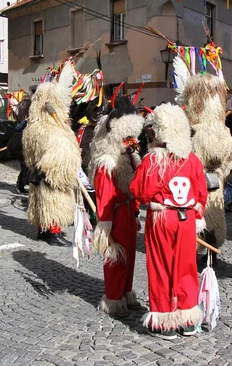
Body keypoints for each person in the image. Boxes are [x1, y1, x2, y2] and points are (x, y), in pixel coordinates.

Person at [129, 103, 208, 340]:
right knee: (186, 267)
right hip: (186, 220)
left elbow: (138, 191)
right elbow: (202, 193)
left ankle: (164, 320)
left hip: (162, 218)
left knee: (161, 266)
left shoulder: (154, 160)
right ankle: (188, 320)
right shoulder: (192, 160)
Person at [172, 56, 232, 260]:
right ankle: (209, 251)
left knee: (200, 217)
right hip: (213, 181)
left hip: (196, 185)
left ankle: (197, 249)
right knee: (213, 218)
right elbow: (228, 162)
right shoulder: (222, 131)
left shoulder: (195, 131)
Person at [88, 95, 144, 317]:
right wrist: (105, 224)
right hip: (116, 213)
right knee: (116, 259)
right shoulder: (107, 163)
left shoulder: (130, 154)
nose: (131, 141)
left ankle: (126, 293)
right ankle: (113, 298)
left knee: (129, 258)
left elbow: (136, 184)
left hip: (129, 211)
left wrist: (137, 210)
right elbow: (104, 195)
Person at [23, 61, 80, 246]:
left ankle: (43, 231)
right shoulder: (54, 130)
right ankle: (53, 232)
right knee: (53, 203)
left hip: (36, 175)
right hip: (50, 178)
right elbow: (60, 158)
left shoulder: (32, 127)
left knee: (39, 203)